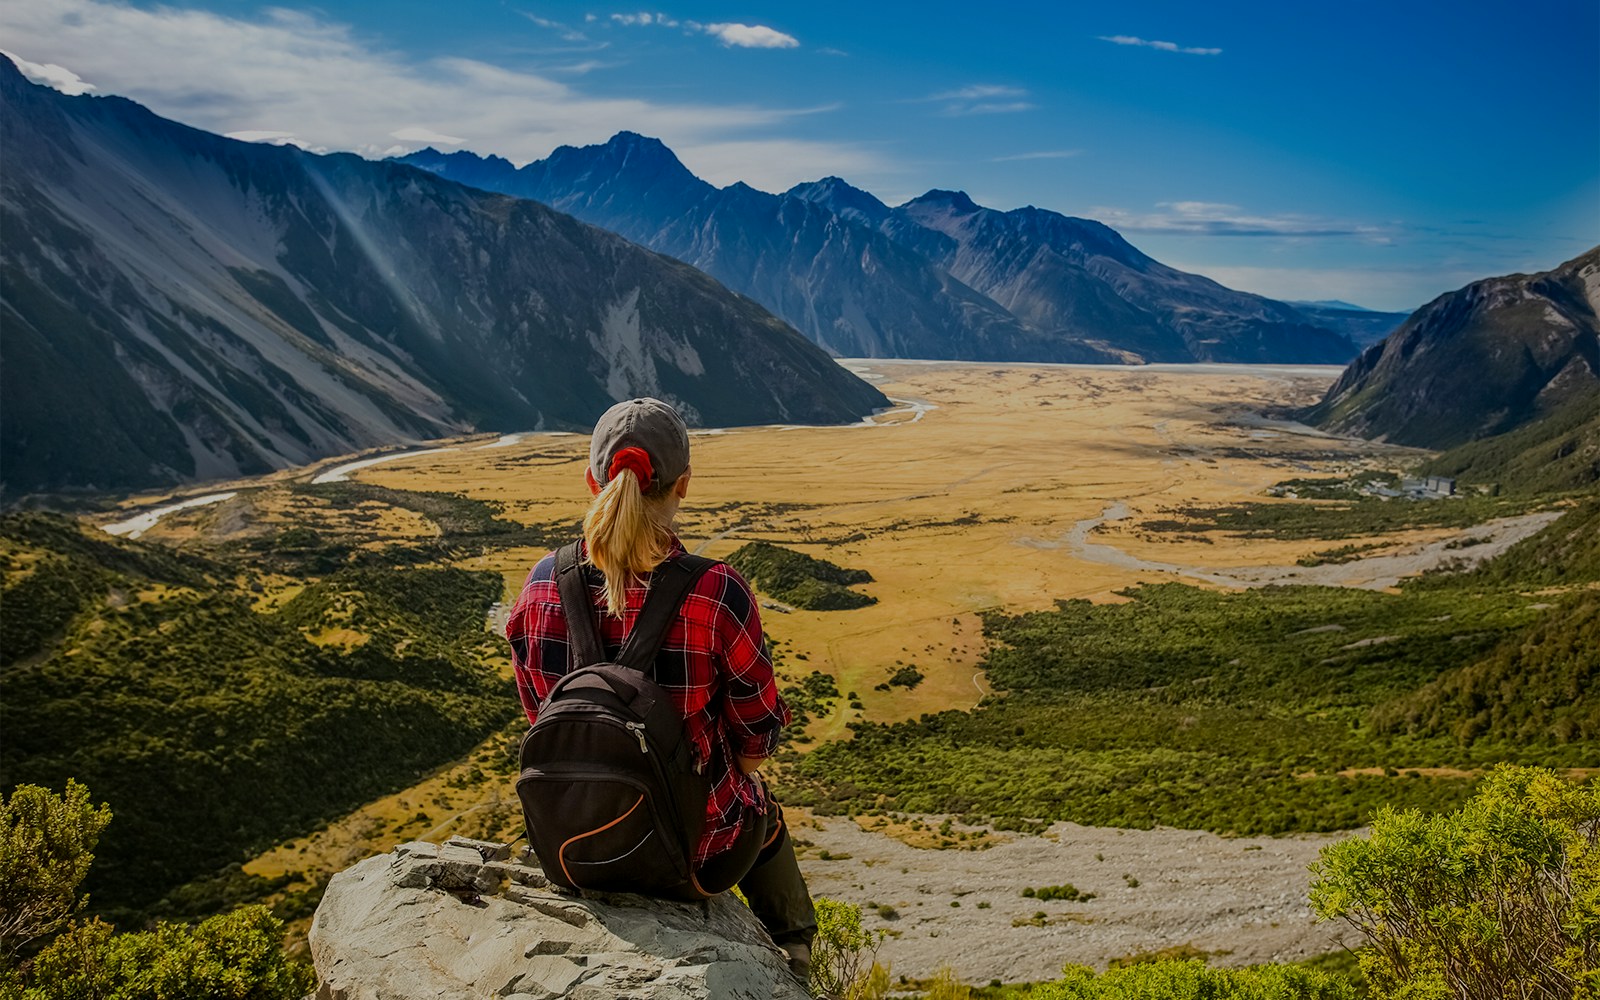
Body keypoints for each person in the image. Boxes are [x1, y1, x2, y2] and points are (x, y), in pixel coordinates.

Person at [505, 397, 818, 979]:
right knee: (762, 813)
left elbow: (541, 720)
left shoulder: (543, 582)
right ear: (685, 485)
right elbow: (753, 747)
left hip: (574, 844)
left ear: (590, 482)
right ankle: (796, 954)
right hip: (693, 855)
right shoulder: (716, 591)